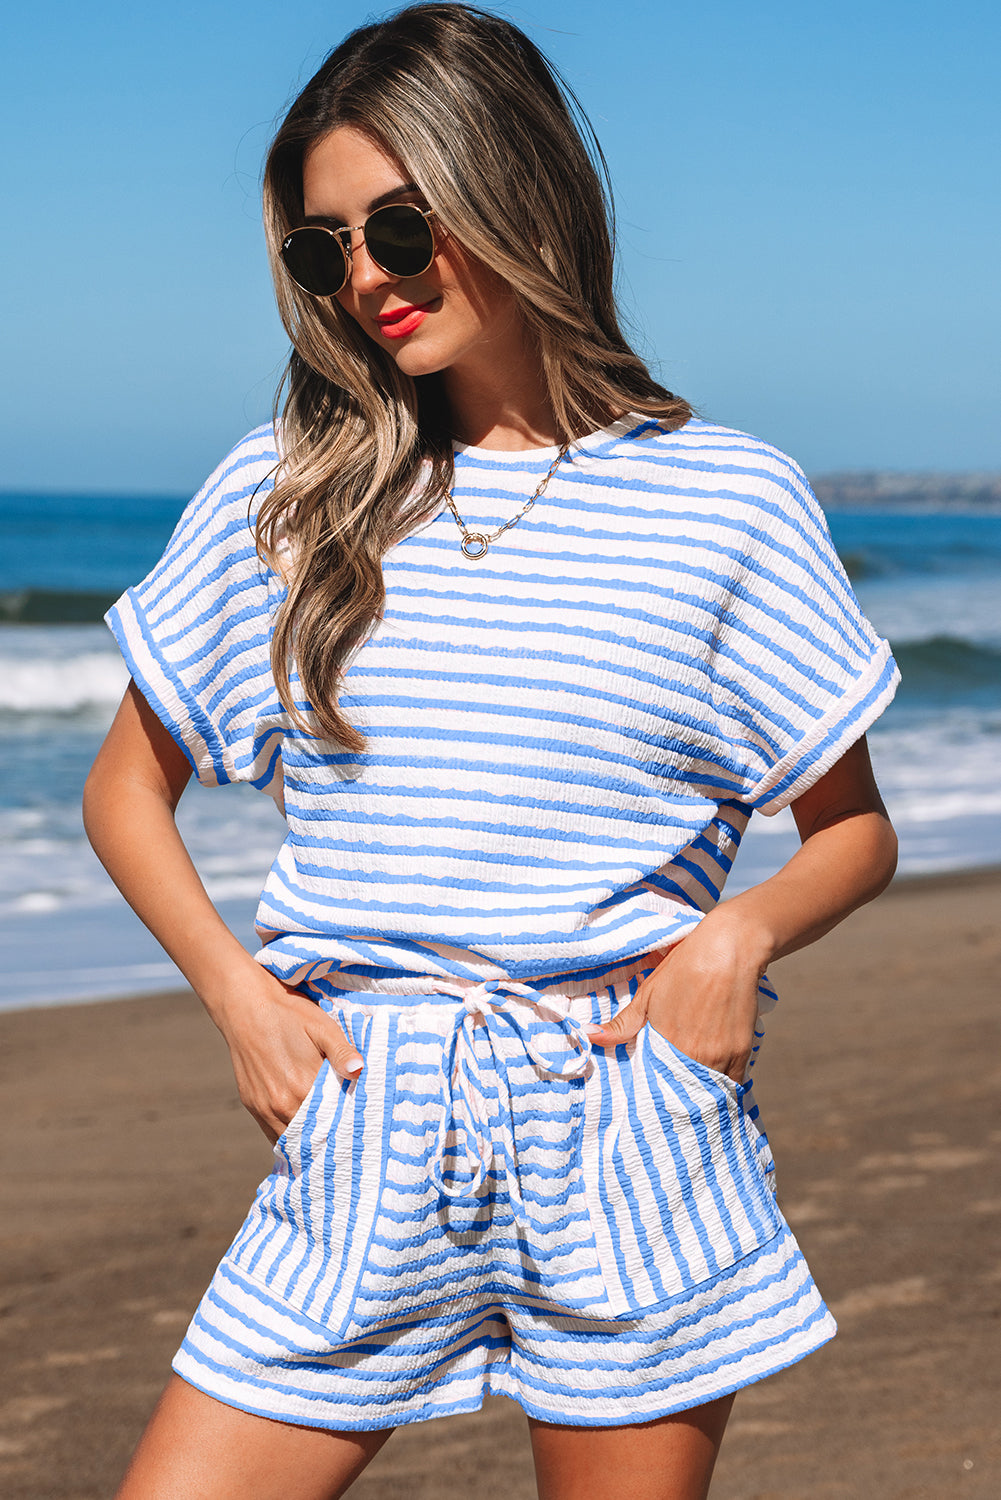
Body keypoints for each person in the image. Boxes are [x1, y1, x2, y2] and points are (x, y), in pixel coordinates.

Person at [83, 5, 899, 1497]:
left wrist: (736, 938)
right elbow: (126, 787)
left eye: (400, 228)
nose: (367, 279)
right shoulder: (294, 493)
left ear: (513, 187)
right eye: (325, 250)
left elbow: (852, 828)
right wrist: (240, 999)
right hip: (366, 1111)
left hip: (621, 1104)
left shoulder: (726, 502)